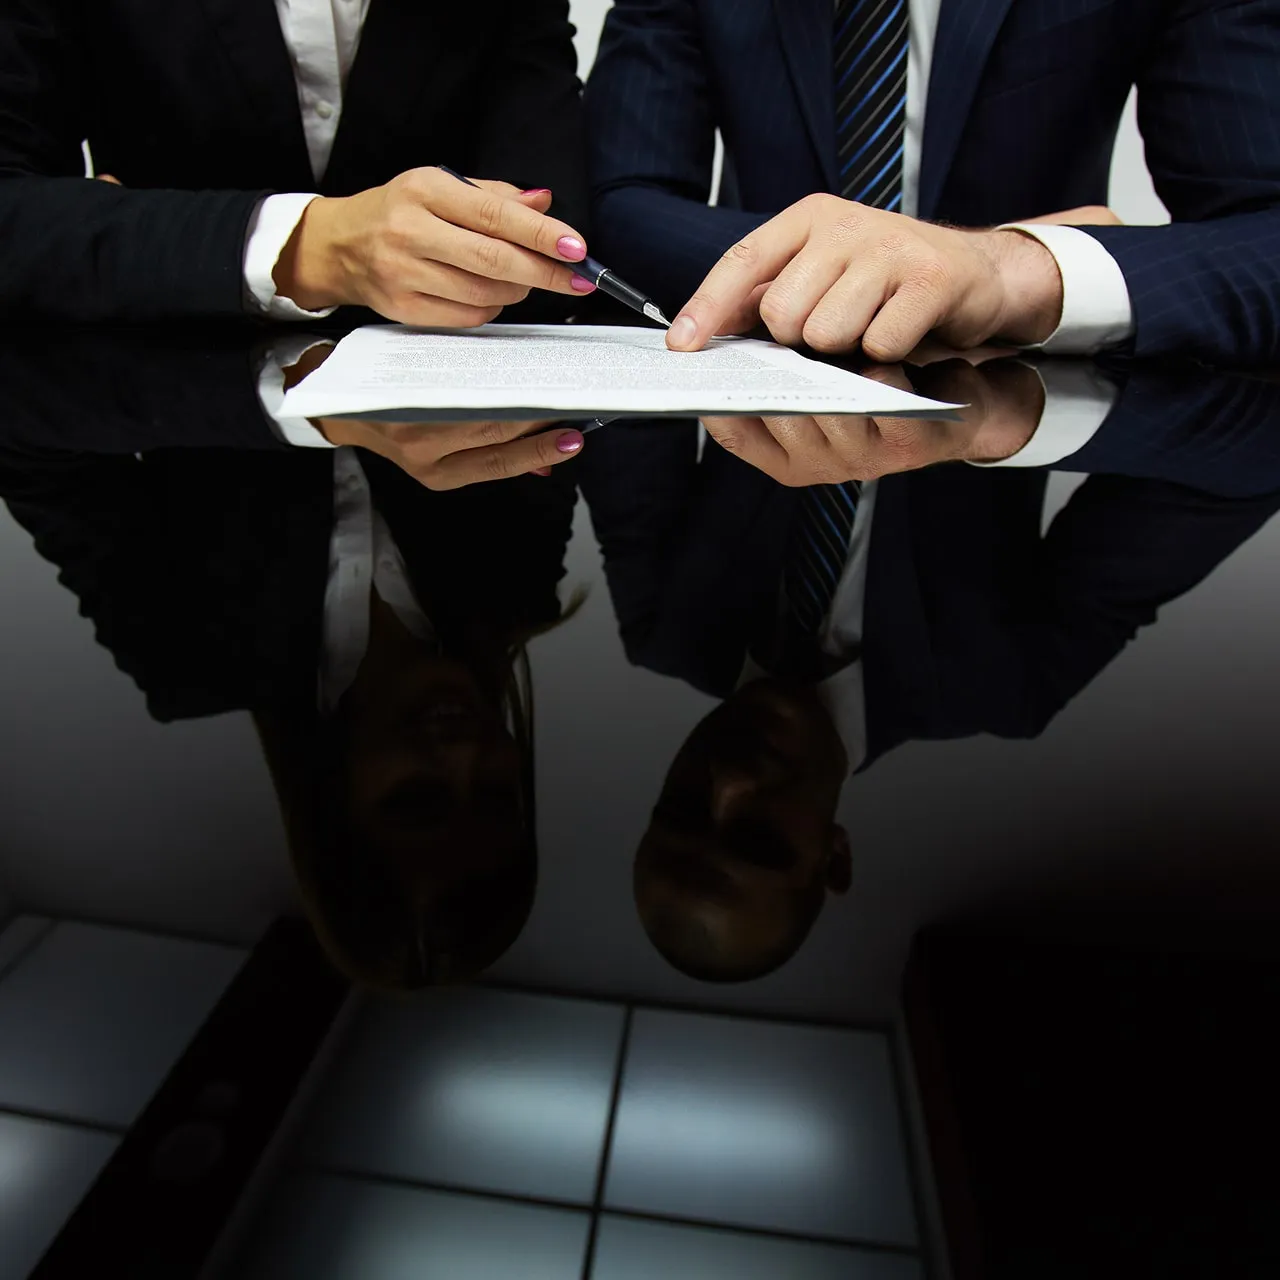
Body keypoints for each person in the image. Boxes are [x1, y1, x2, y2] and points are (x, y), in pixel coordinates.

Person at [583, 358, 1280, 980]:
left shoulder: (663, 622)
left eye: (680, 806)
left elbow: (627, 370)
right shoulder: (1006, 683)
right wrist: (1007, 412)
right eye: (759, 838)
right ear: (834, 858)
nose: (729, 782)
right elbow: (1254, 459)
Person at [0, 326, 585, 985]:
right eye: (496, 794)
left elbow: (19, 431)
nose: (464, 756)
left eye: (418, 798)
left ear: (333, 804)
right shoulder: (513, 587)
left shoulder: (189, 656)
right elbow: (545, 357)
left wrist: (287, 405)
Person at [585, 0, 1280, 367]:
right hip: (739, 509)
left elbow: (1267, 236)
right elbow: (616, 203)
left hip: (1007, 466)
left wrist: (1018, 270)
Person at [0, 0, 595, 323]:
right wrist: (306, 246)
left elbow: (550, 211)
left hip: (463, 488)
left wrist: (121, 221)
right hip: (163, 461)